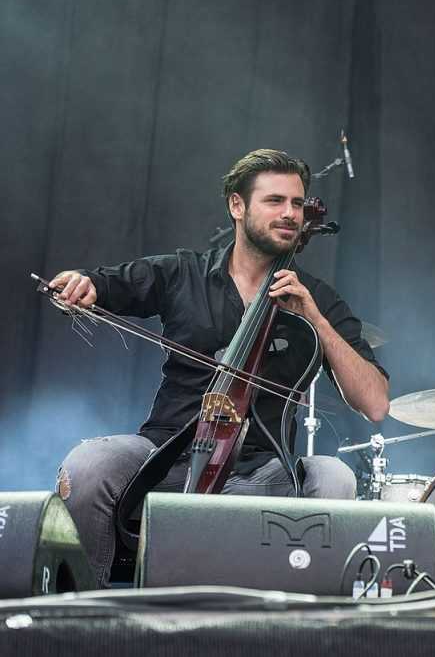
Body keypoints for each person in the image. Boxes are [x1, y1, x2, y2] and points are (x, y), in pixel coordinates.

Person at [51, 149, 390, 586]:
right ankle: (80, 616)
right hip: (165, 457)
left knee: (335, 476)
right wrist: (82, 283)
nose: (290, 214)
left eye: (297, 203)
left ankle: (304, 622)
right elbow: (107, 283)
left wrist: (315, 320)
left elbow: (375, 404)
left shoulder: (316, 298)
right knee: (89, 464)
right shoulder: (184, 273)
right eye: (275, 201)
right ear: (237, 205)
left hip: (262, 472)